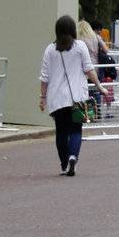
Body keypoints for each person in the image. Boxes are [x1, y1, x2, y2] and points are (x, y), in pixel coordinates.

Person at [39, 15, 100, 177]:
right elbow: (88, 69)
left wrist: (42, 97)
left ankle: (64, 163)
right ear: (73, 29)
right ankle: (73, 156)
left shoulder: (50, 49)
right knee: (75, 130)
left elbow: (44, 77)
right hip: (77, 97)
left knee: (61, 132)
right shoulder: (80, 46)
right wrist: (99, 86)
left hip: (57, 98)